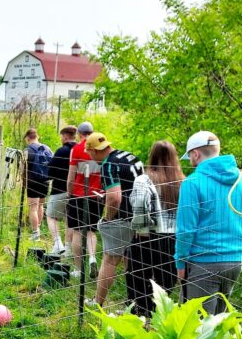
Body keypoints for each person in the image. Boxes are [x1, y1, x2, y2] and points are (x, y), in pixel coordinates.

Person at [174, 131, 242, 314]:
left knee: (196, 329)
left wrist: (180, 263)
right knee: (218, 324)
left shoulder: (193, 182)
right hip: (235, 260)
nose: (190, 160)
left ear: (196, 154)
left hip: (203, 262)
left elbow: (185, 230)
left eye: (190, 156)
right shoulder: (241, 180)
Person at [84, 133, 144, 309]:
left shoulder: (109, 164)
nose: (90, 157)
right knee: (131, 259)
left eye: (89, 153)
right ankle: (133, 302)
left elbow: (115, 198)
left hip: (123, 215)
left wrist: (107, 218)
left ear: (94, 150)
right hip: (141, 213)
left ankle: (98, 302)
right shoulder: (129, 156)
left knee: (110, 259)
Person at [125, 140, 183, 316]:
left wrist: (141, 230)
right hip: (173, 240)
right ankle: (157, 319)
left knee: (139, 283)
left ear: (153, 156)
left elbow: (140, 203)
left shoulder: (144, 179)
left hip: (147, 238)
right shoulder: (183, 181)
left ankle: (141, 321)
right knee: (164, 285)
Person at [67, 121, 101, 278]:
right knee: (91, 230)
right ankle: (93, 258)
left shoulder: (77, 149)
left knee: (77, 232)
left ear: (79, 134)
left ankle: (78, 268)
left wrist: (69, 192)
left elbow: (71, 175)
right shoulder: (99, 146)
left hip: (78, 194)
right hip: (96, 195)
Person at [46, 126, 77, 255]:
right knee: (68, 219)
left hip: (59, 189)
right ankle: (68, 248)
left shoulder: (62, 151)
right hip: (76, 191)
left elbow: (50, 171)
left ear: (64, 136)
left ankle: (57, 243)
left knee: (51, 216)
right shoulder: (80, 149)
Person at [24, 129, 52, 240]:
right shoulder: (47, 149)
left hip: (32, 182)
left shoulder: (27, 151)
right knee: (40, 205)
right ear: (37, 136)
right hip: (45, 181)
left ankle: (35, 233)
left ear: (27, 138)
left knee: (33, 207)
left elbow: (22, 168)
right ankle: (38, 228)